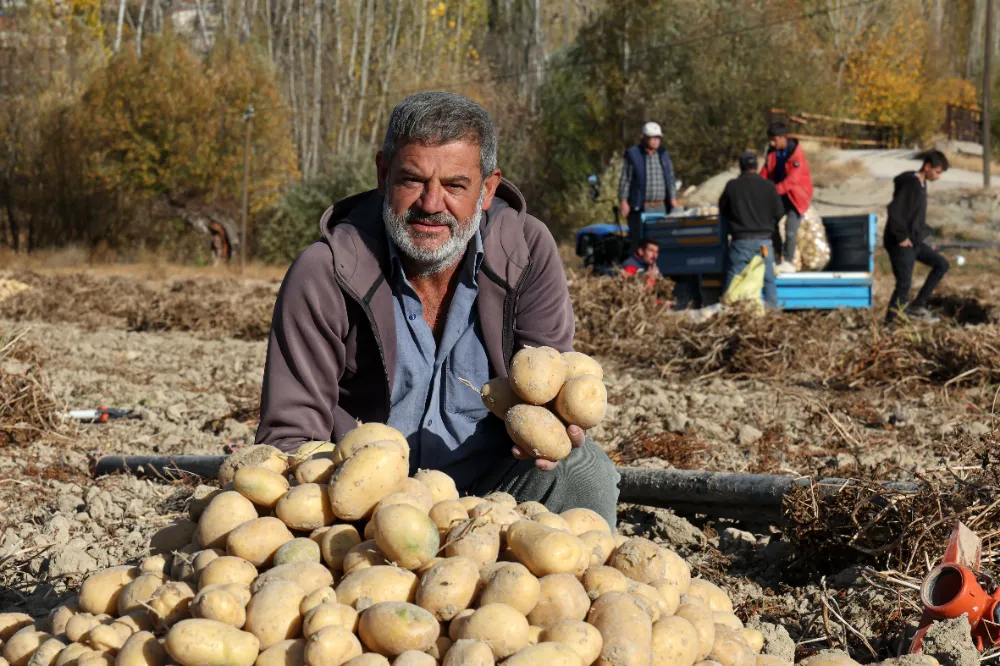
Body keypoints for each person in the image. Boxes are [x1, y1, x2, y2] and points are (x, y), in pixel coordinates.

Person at [254, 92, 620, 527]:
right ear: (383, 174)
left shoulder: (525, 253)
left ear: (487, 188)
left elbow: (547, 383)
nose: (431, 204)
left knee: (583, 471)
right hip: (362, 509)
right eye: (412, 180)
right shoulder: (325, 272)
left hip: (492, 500)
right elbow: (291, 436)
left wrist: (554, 427)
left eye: (454, 185)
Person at [884, 150, 950, 324]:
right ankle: (889, 326)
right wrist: (900, 237)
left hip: (914, 241)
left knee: (941, 264)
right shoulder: (911, 184)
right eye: (937, 172)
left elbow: (915, 218)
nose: (938, 176)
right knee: (904, 285)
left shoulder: (921, 184)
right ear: (927, 167)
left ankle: (918, 304)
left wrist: (924, 240)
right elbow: (894, 210)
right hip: (901, 242)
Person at [719, 151, 783, 309]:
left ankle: (728, 314)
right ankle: (773, 318)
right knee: (768, 281)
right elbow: (779, 212)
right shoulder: (769, 186)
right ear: (757, 166)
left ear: (741, 167)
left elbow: (723, 210)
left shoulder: (732, 186)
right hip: (764, 243)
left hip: (741, 243)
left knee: (734, 281)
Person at [760, 122, 813, 274]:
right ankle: (777, 257)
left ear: (784, 138)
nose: (772, 143)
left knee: (790, 229)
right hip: (780, 194)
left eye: (775, 140)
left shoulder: (796, 154)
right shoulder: (772, 152)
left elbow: (792, 180)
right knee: (770, 222)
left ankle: (789, 262)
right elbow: (765, 172)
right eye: (770, 140)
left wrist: (773, 191)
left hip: (796, 196)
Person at [618, 121, 678, 255]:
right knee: (638, 241)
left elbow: (671, 178)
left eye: (658, 138)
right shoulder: (633, 154)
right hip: (640, 207)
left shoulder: (663, 154)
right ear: (644, 137)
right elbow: (625, 179)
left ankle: (658, 271)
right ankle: (636, 272)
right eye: (653, 137)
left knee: (660, 240)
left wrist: (673, 198)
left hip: (660, 206)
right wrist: (623, 201)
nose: (657, 141)